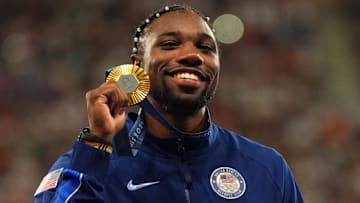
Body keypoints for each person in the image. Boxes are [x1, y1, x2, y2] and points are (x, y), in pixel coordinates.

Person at [34, 4, 304, 203]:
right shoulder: (86, 165)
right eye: (170, 44)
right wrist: (97, 142)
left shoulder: (266, 169)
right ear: (137, 65)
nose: (191, 55)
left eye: (206, 48)